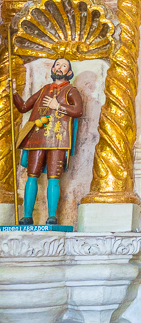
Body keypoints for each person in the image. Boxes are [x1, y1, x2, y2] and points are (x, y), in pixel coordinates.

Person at [12, 58, 83, 226]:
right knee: (32, 175)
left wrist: (57, 106)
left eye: (64, 65)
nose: (59, 68)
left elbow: (78, 111)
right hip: (37, 138)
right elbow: (23, 107)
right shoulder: (44, 89)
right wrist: (14, 92)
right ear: (52, 68)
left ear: (69, 72)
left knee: (53, 177)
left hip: (58, 139)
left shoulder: (70, 90)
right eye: (57, 64)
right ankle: (27, 216)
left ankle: (52, 216)